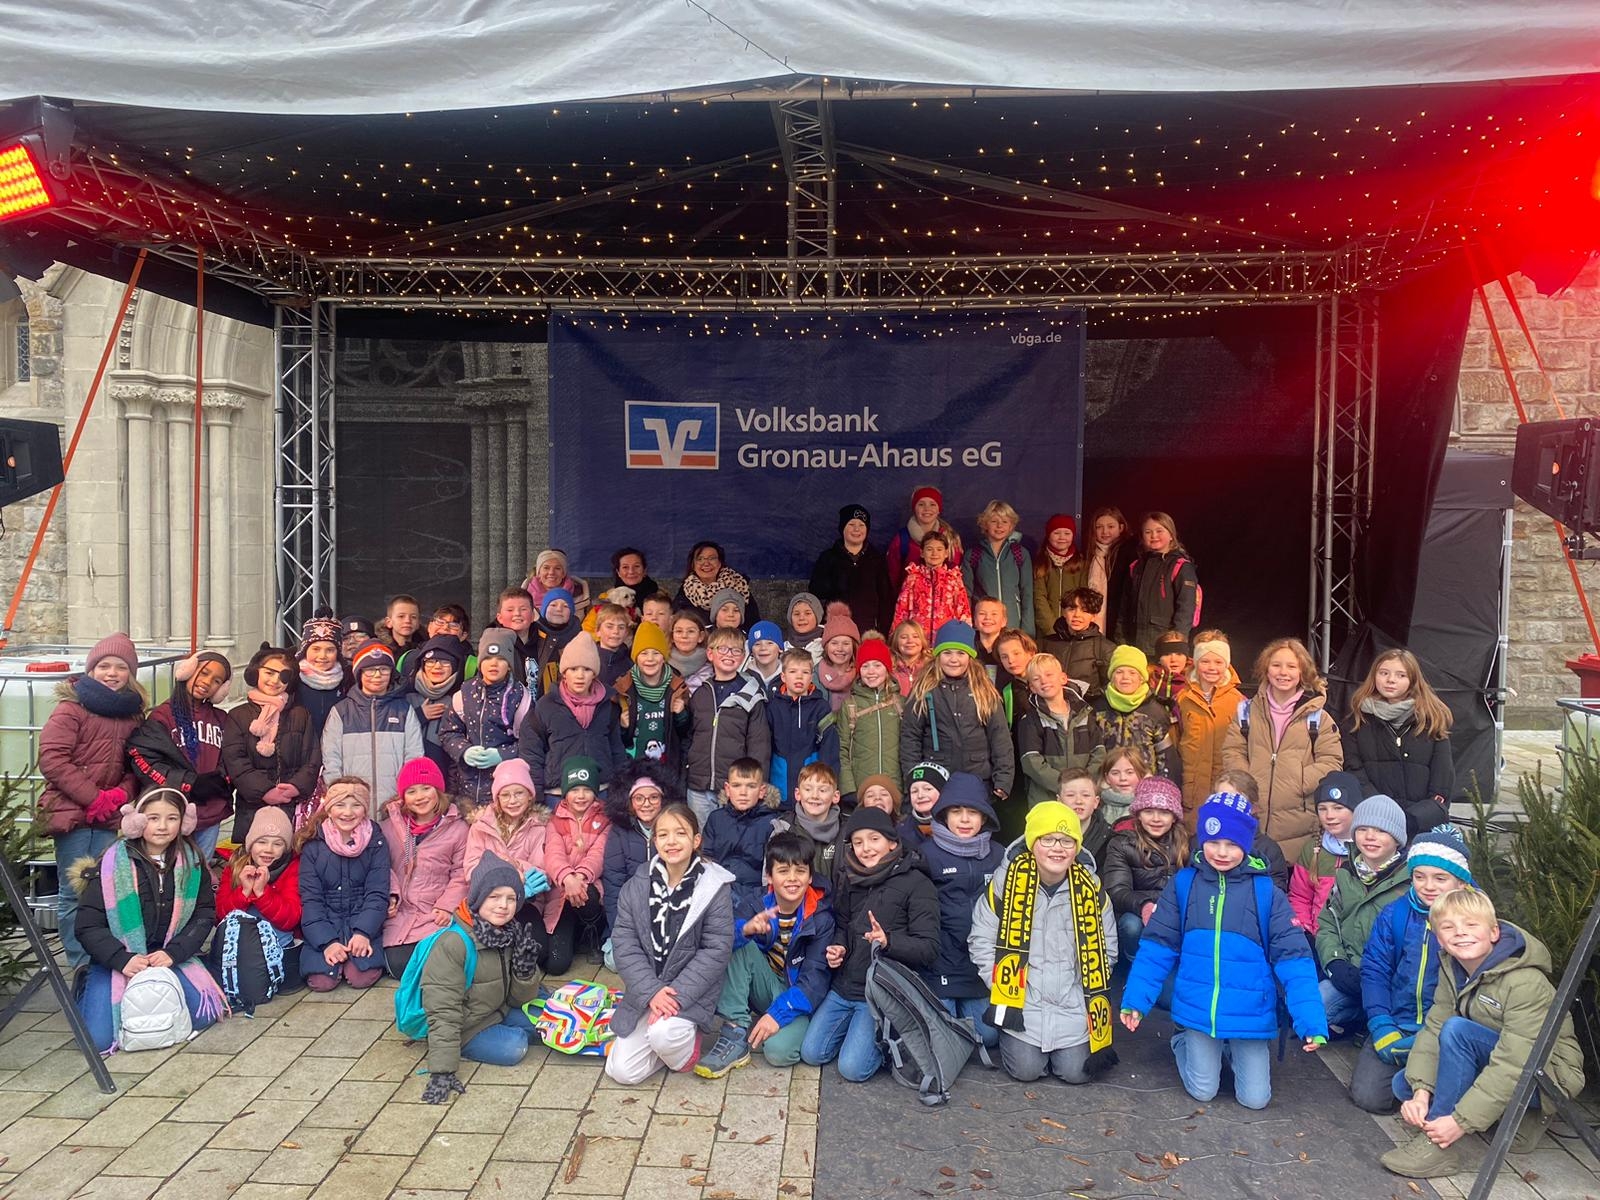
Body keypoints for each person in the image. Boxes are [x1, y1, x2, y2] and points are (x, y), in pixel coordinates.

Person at [1120, 792, 1328, 1109]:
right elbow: (1157, 947)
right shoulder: (1184, 885)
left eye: (1232, 844)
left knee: (1255, 1100)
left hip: (1250, 1011)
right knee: (1203, 1090)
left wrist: (1310, 1020)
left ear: (1246, 844)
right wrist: (1136, 999)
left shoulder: (1265, 892)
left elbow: (1295, 960)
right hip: (1199, 1007)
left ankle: (1228, 1047)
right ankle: (1182, 1037)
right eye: (1213, 842)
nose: (1221, 852)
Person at [1382, 889, 1587, 1179]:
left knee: (1458, 1031)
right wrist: (1420, 1093)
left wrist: (1459, 1122)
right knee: (1404, 1084)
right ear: (1439, 938)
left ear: (1493, 932)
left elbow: (1514, 1063)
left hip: (1546, 1075)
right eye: (1448, 927)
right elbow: (1434, 1028)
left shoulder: (1525, 982)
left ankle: (1438, 1147)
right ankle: (1500, 1115)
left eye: (1471, 924)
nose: (1460, 933)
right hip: (1493, 1055)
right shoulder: (1453, 967)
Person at [970, 800, 1118, 1082]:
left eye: (1067, 840)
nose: (1057, 848)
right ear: (1032, 842)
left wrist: (1082, 993)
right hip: (1023, 1002)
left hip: (1073, 1002)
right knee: (1025, 1070)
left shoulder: (1092, 888)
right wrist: (1001, 985)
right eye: (1047, 839)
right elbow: (981, 939)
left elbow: (1108, 947)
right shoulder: (1005, 883)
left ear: (1077, 847)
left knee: (1077, 1074)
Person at [70, 788, 228, 1051]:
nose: (163, 826)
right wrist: (121, 959)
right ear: (137, 820)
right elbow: (87, 926)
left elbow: (203, 915)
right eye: (153, 818)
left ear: (184, 822)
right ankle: (86, 985)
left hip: (165, 954)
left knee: (205, 1014)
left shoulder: (192, 862)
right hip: (118, 957)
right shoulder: (110, 865)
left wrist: (174, 953)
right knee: (98, 1040)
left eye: (172, 818)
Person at [800, 805, 940, 1081]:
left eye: (874, 839)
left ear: (892, 842)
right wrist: (839, 947)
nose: (866, 848)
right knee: (811, 1053)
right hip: (844, 986)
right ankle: (859, 1034)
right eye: (858, 842)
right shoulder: (851, 877)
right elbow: (843, 924)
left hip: (880, 993)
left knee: (852, 1069)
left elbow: (929, 948)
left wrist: (889, 942)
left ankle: (889, 1041)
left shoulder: (917, 882)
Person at [605, 803, 735, 1085]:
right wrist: (652, 991)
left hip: (688, 992)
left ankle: (684, 1051)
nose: (671, 841)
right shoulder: (637, 885)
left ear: (696, 840)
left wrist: (675, 997)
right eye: (663, 835)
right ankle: (659, 1043)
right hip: (649, 990)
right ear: (655, 841)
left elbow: (716, 949)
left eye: (680, 833)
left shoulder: (714, 886)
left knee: (663, 1035)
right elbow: (624, 943)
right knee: (622, 1072)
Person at [40, 632, 147, 967]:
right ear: (91, 669)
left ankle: (104, 956)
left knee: (104, 888)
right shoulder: (71, 708)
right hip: (71, 811)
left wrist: (120, 794)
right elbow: (53, 758)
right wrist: (92, 797)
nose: (111, 673)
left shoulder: (132, 715)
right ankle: (80, 964)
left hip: (108, 815)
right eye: (104, 666)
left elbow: (138, 763)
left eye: (120, 667)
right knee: (74, 891)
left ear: (130, 674)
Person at [1351, 824, 1473, 1114]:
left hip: (1446, 1030)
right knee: (1369, 1097)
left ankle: (1426, 1080)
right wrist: (1381, 1023)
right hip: (1399, 1020)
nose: (1428, 886)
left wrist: (1432, 1039)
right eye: (1419, 876)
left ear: (1461, 882)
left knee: (1446, 1103)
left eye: (1440, 878)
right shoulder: (1395, 914)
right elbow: (1375, 971)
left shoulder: (1474, 921)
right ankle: (1412, 1075)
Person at [698, 830, 835, 1076]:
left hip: (798, 996)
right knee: (737, 940)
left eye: (800, 871)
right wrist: (746, 930)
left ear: (810, 876)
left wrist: (777, 1014)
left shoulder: (820, 918)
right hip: (766, 985)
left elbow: (815, 980)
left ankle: (778, 1021)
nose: (792, 879)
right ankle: (734, 1030)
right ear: (769, 876)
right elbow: (717, 943)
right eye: (783, 871)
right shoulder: (755, 903)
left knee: (778, 1053)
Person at [417, 851, 546, 1103]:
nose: (503, 905)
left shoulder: (510, 932)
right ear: (477, 898)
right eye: (494, 897)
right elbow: (443, 1010)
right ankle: (464, 1048)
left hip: (498, 1008)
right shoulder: (454, 943)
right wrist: (443, 1070)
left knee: (547, 1021)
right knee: (515, 1047)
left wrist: (525, 970)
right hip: (466, 1025)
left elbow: (519, 999)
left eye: (511, 898)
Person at [1221, 636, 1345, 860]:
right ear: (1266, 669)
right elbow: (1232, 751)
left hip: (1299, 828)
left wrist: (1297, 781)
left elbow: (1331, 762)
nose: (1283, 672)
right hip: (1252, 819)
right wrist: (1248, 783)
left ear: (1302, 671)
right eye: (1276, 665)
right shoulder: (1245, 712)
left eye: (1291, 666)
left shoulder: (1318, 717)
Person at [920, 773, 1003, 1049]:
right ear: (945, 815)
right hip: (940, 964)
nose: (965, 819)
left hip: (980, 967)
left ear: (984, 817)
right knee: (942, 1038)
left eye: (973, 812)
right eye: (956, 811)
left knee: (988, 1037)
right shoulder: (926, 854)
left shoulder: (999, 855)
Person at [1316, 794, 1410, 1034]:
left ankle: (1368, 1019)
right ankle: (1357, 1018)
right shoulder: (1346, 873)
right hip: (1350, 972)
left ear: (1397, 838)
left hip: (1390, 981)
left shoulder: (1411, 882)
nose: (1369, 837)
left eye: (1381, 831)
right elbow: (1327, 922)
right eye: (1363, 829)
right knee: (1312, 1009)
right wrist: (1335, 962)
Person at [127, 649, 234, 857]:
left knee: (199, 868)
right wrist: (188, 783)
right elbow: (144, 759)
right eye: (204, 673)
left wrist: (222, 781)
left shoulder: (222, 720)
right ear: (187, 671)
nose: (207, 682)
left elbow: (232, 756)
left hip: (210, 812)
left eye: (216, 680)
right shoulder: (162, 716)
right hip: (172, 813)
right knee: (171, 868)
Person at [899, 621, 1014, 805]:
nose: (954, 659)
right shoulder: (923, 690)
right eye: (947, 653)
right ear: (938, 656)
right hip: (936, 779)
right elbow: (910, 737)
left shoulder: (984, 690)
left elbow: (1000, 736)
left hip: (977, 778)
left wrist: (1003, 779)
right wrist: (913, 777)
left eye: (961, 653)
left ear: (970, 656)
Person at [1345, 648, 1456, 838]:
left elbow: (1442, 780)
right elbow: (1354, 770)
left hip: (1420, 827)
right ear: (1374, 676)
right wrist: (1382, 812)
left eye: (1400, 675)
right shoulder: (1356, 721)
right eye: (1384, 673)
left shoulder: (1432, 722)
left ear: (1412, 680)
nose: (1391, 680)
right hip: (1375, 824)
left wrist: (1413, 819)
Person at [297, 778, 391, 990]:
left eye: (356, 805)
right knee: (321, 982)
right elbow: (311, 900)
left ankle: (356, 949)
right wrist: (327, 942)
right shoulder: (313, 846)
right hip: (326, 922)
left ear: (365, 809)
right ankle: (332, 948)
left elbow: (377, 893)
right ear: (329, 809)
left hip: (361, 919)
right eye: (340, 805)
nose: (347, 812)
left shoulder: (375, 842)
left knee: (361, 977)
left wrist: (364, 933)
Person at [224, 644, 322, 842]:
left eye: (283, 676)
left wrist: (296, 786)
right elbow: (235, 760)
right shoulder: (238, 716)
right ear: (255, 672)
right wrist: (264, 791)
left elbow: (312, 757)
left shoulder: (300, 715)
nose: (275, 680)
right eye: (269, 673)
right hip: (252, 806)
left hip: (293, 804)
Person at [381, 758, 469, 979]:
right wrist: (391, 895)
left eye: (426, 788)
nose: (419, 797)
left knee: (438, 961)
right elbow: (381, 867)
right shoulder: (389, 827)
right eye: (411, 791)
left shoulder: (457, 829)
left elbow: (461, 873)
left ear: (438, 791)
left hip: (435, 911)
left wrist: (447, 906)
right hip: (400, 912)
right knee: (400, 966)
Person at [518, 632, 628, 806]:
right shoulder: (545, 707)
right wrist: (536, 797)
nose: (580, 675)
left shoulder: (607, 707)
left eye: (587, 669)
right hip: (557, 794)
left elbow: (617, 752)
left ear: (594, 674)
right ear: (564, 672)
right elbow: (532, 754)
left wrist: (621, 792)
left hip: (601, 792)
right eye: (573, 669)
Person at [211, 807, 304, 1010]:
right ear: (250, 844)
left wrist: (262, 893)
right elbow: (220, 916)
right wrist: (244, 892)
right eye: (262, 842)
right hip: (240, 945)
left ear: (286, 847)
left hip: (278, 943)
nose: (268, 850)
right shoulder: (235, 866)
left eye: (277, 844)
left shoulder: (293, 867)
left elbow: (290, 918)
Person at [321, 641, 423, 816]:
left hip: (395, 804)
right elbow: (331, 759)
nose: (377, 675)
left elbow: (414, 757)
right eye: (370, 669)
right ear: (359, 673)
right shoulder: (341, 711)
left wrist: (405, 795)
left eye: (384, 669)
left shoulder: (404, 710)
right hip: (352, 807)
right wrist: (342, 797)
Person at [685, 629, 773, 824]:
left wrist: (753, 784)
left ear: (742, 657)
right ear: (710, 654)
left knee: (732, 834)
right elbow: (689, 736)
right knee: (702, 836)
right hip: (698, 785)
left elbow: (759, 745)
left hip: (735, 787)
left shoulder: (751, 695)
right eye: (723, 649)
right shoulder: (700, 694)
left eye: (736, 650)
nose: (729, 654)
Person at [439, 629, 531, 809]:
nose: (493, 664)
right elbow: (448, 732)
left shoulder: (521, 697)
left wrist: (502, 755)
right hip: (465, 790)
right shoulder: (465, 693)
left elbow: (531, 743)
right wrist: (464, 751)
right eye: (487, 658)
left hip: (504, 794)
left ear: (509, 665)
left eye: (501, 659)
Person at [1101, 777, 1188, 961]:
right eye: (1148, 811)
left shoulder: (1186, 843)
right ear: (1138, 814)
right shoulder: (1122, 843)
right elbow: (1116, 891)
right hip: (1137, 910)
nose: (1156, 819)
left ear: (1174, 816)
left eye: (1164, 812)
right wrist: (1144, 905)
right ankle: (1134, 964)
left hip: (1175, 910)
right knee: (1131, 925)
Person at [541, 757, 612, 975]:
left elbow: (599, 854)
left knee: (588, 894)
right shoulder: (555, 820)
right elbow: (553, 854)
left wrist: (579, 877)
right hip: (562, 892)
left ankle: (592, 931)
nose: (580, 796)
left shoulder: (606, 818)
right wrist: (567, 878)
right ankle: (574, 935)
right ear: (565, 793)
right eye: (574, 790)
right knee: (556, 965)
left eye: (586, 789)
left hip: (588, 888)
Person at [464, 759, 551, 929]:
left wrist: (517, 867)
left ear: (530, 795)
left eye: (519, 793)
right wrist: (506, 870)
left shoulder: (539, 827)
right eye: (505, 795)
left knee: (536, 940)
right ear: (497, 798)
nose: (512, 801)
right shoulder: (481, 826)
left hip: (526, 899)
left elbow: (542, 871)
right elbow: (471, 869)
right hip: (488, 899)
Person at [601, 762, 672, 967]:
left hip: (666, 913)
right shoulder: (619, 832)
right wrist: (619, 930)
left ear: (663, 799)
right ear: (630, 802)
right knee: (615, 961)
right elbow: (613, 884)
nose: (646, 804)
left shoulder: (673, 827)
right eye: (639, 798)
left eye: (653, 797)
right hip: (631, 914)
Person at [702, 757, 788, 923]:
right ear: (727, 789)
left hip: (756, 897)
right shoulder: (716, 819)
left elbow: (774, 871)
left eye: (751, 786)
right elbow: (706, 859)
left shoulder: (772, 823)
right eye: (736, 785)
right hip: (719, 891)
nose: (743, 792)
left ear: (762, 791)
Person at [1016, 653, 1105, 811]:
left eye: (1049, 675)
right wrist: (1064, 786)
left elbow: (1099, 752)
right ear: (1032, 688)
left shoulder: (1085, 713)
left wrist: (1082, 783)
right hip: (1046, 800)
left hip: (1083, 797)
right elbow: (1031, 762)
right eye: (1036, 679)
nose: (1044, 681)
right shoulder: (1030, 720)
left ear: (1063, 678)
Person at [1175, 630, 1244, 824]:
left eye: (1218, 662)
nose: (1212, 667)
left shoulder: (1240, 702)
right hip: (1190, 789)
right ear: (1196, 662)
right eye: (1205, 661)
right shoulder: (1181, 699)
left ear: (1227, 664)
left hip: (1224, 786)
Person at [768, 649, 842, 806]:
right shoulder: (773, 707)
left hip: (812, 789)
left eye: (805, 672)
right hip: (778, 786)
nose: (799, 677)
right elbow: (765, 747)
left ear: (811, 677)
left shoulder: (821, 707)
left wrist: (829, 785)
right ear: (783, 676)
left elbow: (829, 748)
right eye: (793, 671)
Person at [1120, 512, 1200, 655]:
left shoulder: (1181, 566)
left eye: (1159, 531)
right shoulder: (1136, 567)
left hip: (1164, 647)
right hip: (1134, 645)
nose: (1153, 536)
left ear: (1171, 535)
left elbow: (1186, 610)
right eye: (1148, 532)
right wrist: (1120, 640)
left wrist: (1176, 645)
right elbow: (1124, 609)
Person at [1288, 770, 1358, 936]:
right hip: (1318, 937)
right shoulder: (1313, 849)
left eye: (1338, 808)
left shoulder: (1369, 848)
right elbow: (1300, 896)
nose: (1329, 816)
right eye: (1322, 809)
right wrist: (1305, 931)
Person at [1092, 645, 1174, 782]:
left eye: (1132, 672)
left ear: (1141, 678)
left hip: (1145, 785)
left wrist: (1161, 786)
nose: (1125, 677)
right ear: (1111, 676)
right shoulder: (1097, 709)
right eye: (1119, 672)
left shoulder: (1156, 711)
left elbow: (1166, 758)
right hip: (1106, 784)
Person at [809, 503, 894, 636]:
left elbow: (886, 598)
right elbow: (815, 591)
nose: (856, 529)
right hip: (836, 629)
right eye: (851, 524)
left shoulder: (877, 560)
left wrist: (882, 630)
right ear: (842, 528)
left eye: (861, 525)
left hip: (868, 630)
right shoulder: (828, 557)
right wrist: (836, 583)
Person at [617, 619, 690, 771]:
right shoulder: (623, 689)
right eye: (644, 653)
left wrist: (681, 715)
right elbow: (616, 738)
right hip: (633, 767)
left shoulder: (677, 688)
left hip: (667, 767)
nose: (650, 659)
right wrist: (622, 727)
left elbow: (685, 733)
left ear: (663, 657)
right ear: (636, 657)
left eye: (656, 653)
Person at [837, 636, 900, 802]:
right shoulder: (850, 705)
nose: (871, 671)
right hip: (861, 787)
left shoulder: (901, 703)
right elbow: (842, 748)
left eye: (877, 665)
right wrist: (848, 788)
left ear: (887, 668)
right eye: (865, 666)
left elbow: (910, 747)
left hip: (895, 787)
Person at [964, 500, 1034, 635]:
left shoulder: (1019, 553)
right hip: (985, 626)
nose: (999, 526)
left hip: (1013, 624)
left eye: (1005, 522)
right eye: (994, 521)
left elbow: (1027, 593)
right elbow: (966, 594)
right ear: (985, 524)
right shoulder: (973, 554)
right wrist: (968, 626)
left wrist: (1027, 631)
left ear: (1011, 526)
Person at [404, 634, 467, 779]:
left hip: (445, 781)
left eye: (445, 662)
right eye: (431, 661)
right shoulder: (405, 696)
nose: (437, 666)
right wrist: (419, 716)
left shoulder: (461, 699)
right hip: (409, 780)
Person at [886, 484, 965, 594]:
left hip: (943, 601)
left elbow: (955, 576)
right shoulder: (902, 539)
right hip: (910, 600)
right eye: (921, 504)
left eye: (932, 504)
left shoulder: (950, 539)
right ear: (914, 508)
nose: (927, 509)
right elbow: (893, 577)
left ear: (939, 509)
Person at [893, 529, 971, 637]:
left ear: (946, 553)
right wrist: (896, 637)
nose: (934, 553)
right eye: (929, 549)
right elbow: (901, 611)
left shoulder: (953, 579)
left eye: (939, 549)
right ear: (922, 553)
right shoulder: (913, 578)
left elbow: (963, 611)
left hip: (946, 638)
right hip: (918, 638)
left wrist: (965, 637)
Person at [1041, 586, 1112, 698]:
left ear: (1093, 616)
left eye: (1085, 610)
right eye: (1071, 609)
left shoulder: (1105, 648)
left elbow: (1111, 687)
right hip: (1050, 705)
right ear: (1064, 612)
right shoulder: (1046, 643)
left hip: (1089, 706)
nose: (1077, 615)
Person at [1033, 514, 1087, 643]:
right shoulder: (1040, 563)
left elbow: (1083, 595)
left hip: (1073, 629)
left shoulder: (1081, 563)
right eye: (1056, 533)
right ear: (1048, 535)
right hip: (1047, 631)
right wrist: (1052, 629)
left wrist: (1073, 625)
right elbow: (1039, 598)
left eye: (1067, 533)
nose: (1062, 537)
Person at [677, 541, 759, 627]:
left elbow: (753, 623)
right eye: (700, 559)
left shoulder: (738, 586)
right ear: (693, 565)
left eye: (712, 558)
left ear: (720, 563)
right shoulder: (685, 592)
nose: (706, 563)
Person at [1085, 507, 1138, 637]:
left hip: (1120, 622)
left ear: (1121, 528)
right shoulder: (1090, 555)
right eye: (1099, 527)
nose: (1105, 531)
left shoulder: (1130, 553)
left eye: (1110, 526)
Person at [296, 611, 349, 737]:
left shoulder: (347, 680)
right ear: (305, 650)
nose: (322, 656)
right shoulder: (293, 679)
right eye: (316, 649)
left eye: (330, 650)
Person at [791, 763, 843, 879]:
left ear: (835, 796)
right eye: (808, 789)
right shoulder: (784, 828)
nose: (815, 795)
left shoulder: (847, 831)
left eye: (823, 790)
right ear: (798, 794)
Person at [531, 588, 582, 698]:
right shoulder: (533, 633)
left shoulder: (579, 637)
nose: (559, 609)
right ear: (544, 609)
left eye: (566, 606)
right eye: (553, 605)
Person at [1058, 768, 1112, 869]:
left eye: (1086, 795)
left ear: (1096, 802)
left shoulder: (1109, 839)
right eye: (1070, 795)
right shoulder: (1043, 835)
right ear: (1059, 801)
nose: (1079, 801)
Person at [489, 587, 538, 687]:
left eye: (523, 609)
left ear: (533, 616)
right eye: (510, 610)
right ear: (499, 618)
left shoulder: (547, 643)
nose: (517, 614)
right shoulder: (492, 646)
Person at [524, 548, 592, 619]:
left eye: (557, 568)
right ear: (538, 572)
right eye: (546, 568)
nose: (551, 572)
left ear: (563, 573)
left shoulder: (579, 595)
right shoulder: (523, 596)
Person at [899, 761, 949, 847]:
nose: (920, 795)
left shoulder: (956, 826)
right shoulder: (903, 830)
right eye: (914, 791)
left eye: (928, 789)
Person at [1097, 746, 1149, 828]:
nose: (1123, 778)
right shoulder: (1097, 805)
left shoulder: (1151, 806)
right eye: (1115, 773)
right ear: (1107, 778)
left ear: (1141, 775)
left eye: (1129, 772)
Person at [591, 603, 635, 692]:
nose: (616, 631)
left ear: (626, 633)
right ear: (598, 631)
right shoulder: (588, 660)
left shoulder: (630, 665)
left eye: (621, 627)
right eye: (609, 626)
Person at [669, 610, 712, 695]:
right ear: (672, 636)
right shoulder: (661, 663)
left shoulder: (711, 665)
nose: (684, 636)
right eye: (679, 631)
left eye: (691, 631)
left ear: (700, 636)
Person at [610, 547, 661, 618]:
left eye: (636, 566)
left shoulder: (660, 597)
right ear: (618, 572)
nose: (631, 571)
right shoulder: (608, 598)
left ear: (644, 570)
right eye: (625, 567)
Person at [889, 619, 931, 698]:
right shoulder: (889, 669)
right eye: (904, 637)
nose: (910, 641)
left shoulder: (931, 667)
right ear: (896, 641)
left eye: (915, 636)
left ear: (922, 640)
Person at [744, 620, 786, 693]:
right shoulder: (743, 679)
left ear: (780, 649)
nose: (763, 648)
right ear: (751, 652)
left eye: (770, 643)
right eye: (757, 644)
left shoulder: (790, 678)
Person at [785, 592, 825, 663]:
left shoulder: (827, 645)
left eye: (808, 613)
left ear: (817, 616)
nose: (801, 618)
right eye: (796, 614)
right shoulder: (782, 647)